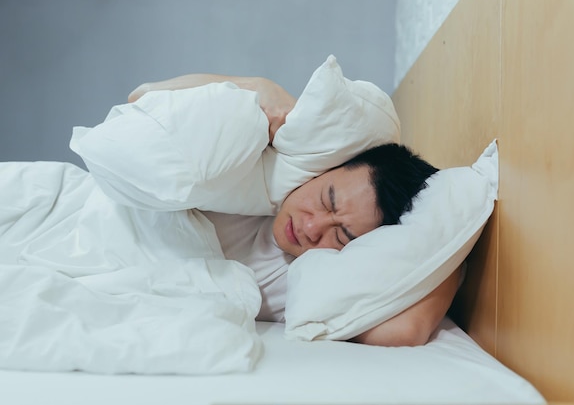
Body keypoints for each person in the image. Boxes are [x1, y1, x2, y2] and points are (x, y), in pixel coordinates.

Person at [128, 74, 462, 347]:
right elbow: (140, 98)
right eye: (326, 200)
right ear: (325, 170)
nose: (312, 227)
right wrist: (259, 87)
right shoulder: (246, 167)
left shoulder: (309, 284)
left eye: (342, 235)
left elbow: (406, 332)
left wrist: (451, 252)